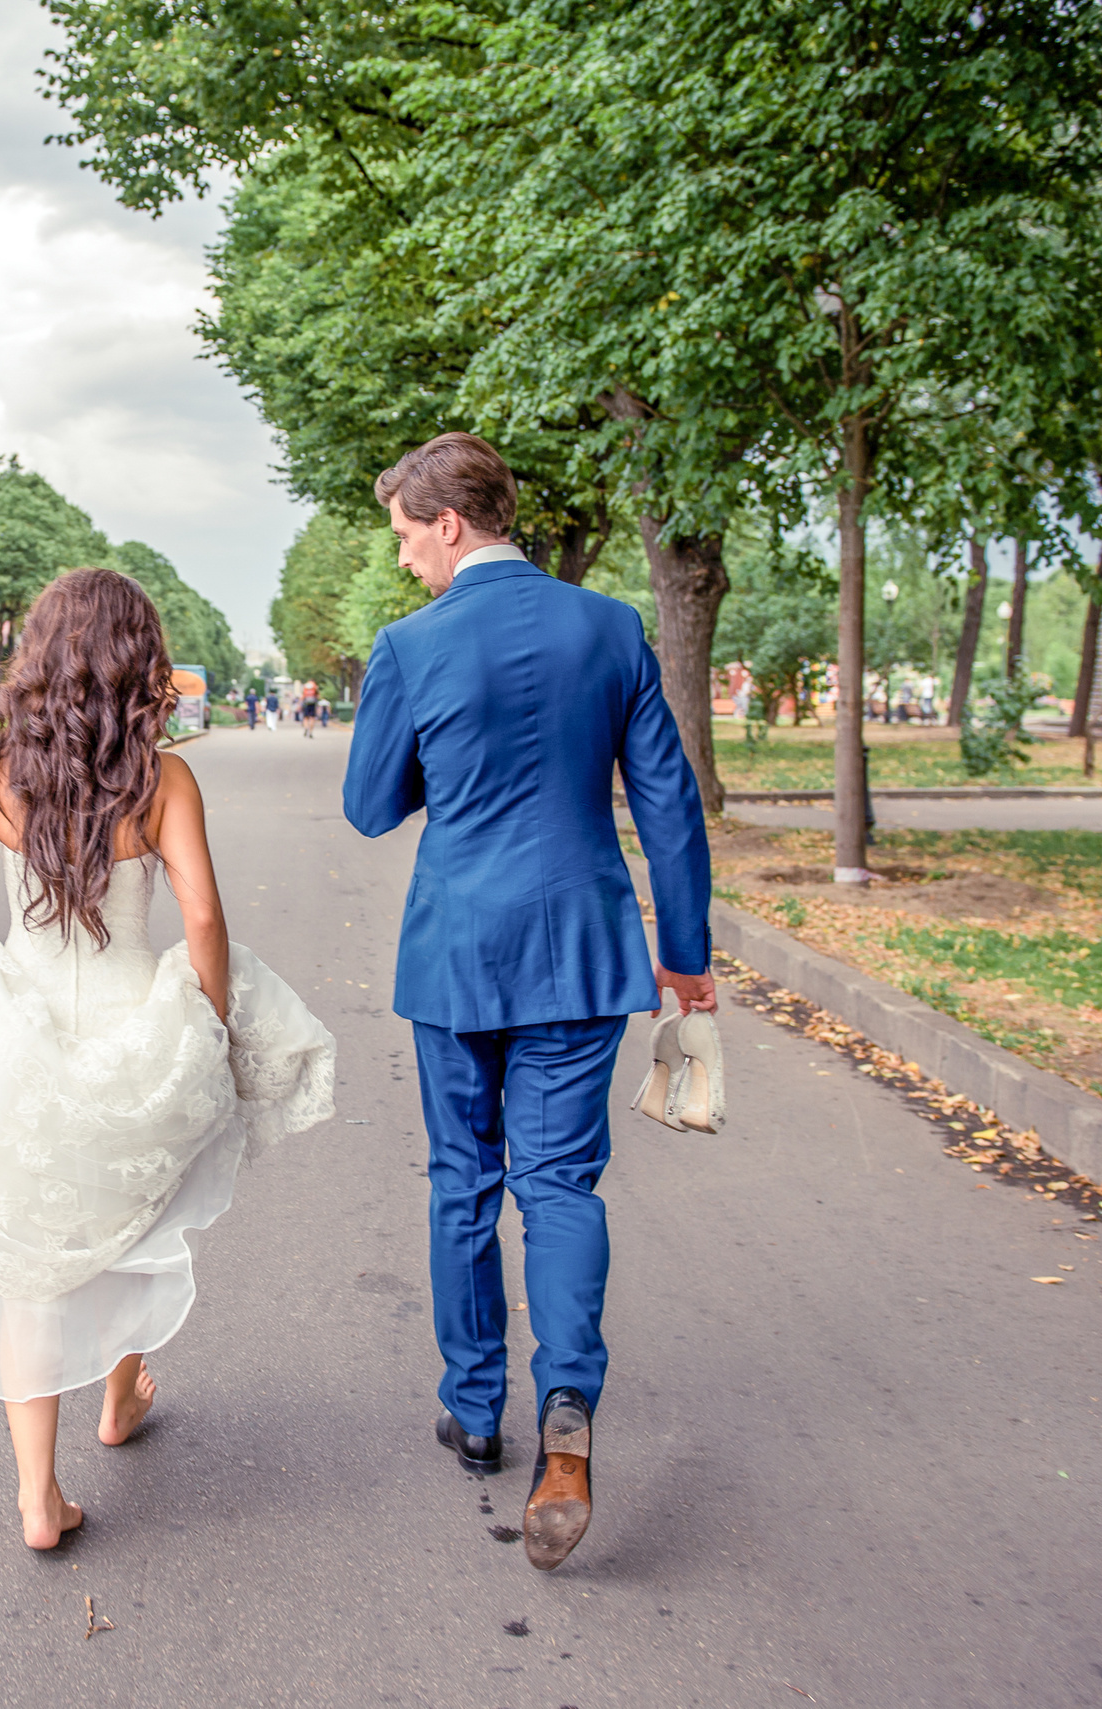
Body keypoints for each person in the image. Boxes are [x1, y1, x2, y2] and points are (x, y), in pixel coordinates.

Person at [0, 568, 336, 1552]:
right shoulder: (162, 777)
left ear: (41, 654)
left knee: (26, 1254)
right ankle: (120, 1391)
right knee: (135, 1205)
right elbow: (200, 916)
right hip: (130, 1014)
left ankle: (37, 1497)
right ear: (137, 660)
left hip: (17, 1021)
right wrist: (208, 1016)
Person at [342, 431, 713, 1573]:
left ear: (449, 522)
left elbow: (369, 804)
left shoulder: (409, 644)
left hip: (458, 953)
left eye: (405, 534)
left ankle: (473, 1408)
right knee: (559, 1182)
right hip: (579, 946)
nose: (403, 558)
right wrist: (685, 954)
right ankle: (568, 1398)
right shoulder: (609, 627)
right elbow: (669, 801)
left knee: (465, 1180)